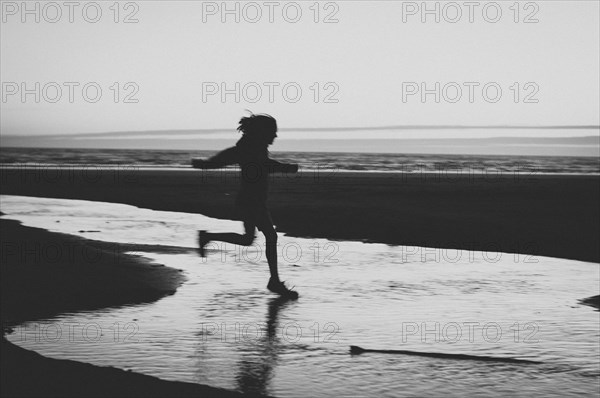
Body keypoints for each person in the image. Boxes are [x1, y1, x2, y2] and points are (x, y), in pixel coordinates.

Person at [193, 113, 299, 298]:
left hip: (253, 199)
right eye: (273, 132)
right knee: (270, 236)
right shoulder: (249, 149)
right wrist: (207, 164)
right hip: (251, 200)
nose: (275, 136)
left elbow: (257, 162)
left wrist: (207, 164)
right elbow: (235, 157)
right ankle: (274, 281)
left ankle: (208, 237)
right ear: (263, 132)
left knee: (248, 239)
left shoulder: (255, 148)